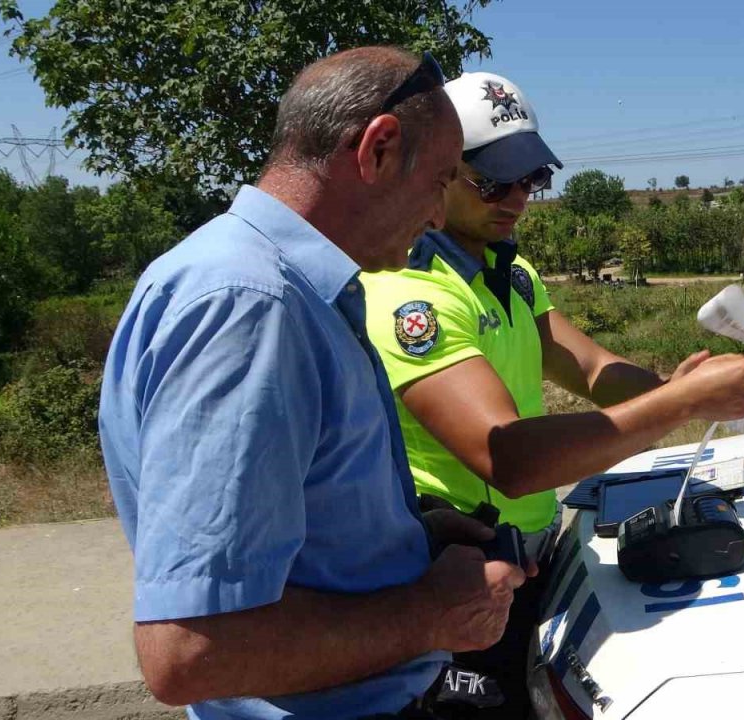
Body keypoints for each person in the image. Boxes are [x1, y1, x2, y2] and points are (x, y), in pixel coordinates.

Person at [98, 47, 529, 720]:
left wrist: (403, 534)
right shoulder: (253, 308)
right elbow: (192, 652)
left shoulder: (279, 288)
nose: (439, 217)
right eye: (440, 181)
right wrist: (431, 614)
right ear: (379, 149)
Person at [361, 71, 744, 718]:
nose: (517, 198)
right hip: (457, 582)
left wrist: (674, 387)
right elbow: (511, 461)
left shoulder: (510, 272)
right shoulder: (412, 294)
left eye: (531, 178)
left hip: (532, 565)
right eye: (493, 181)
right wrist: (682, 405)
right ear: (437, 172)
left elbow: (590, 366)